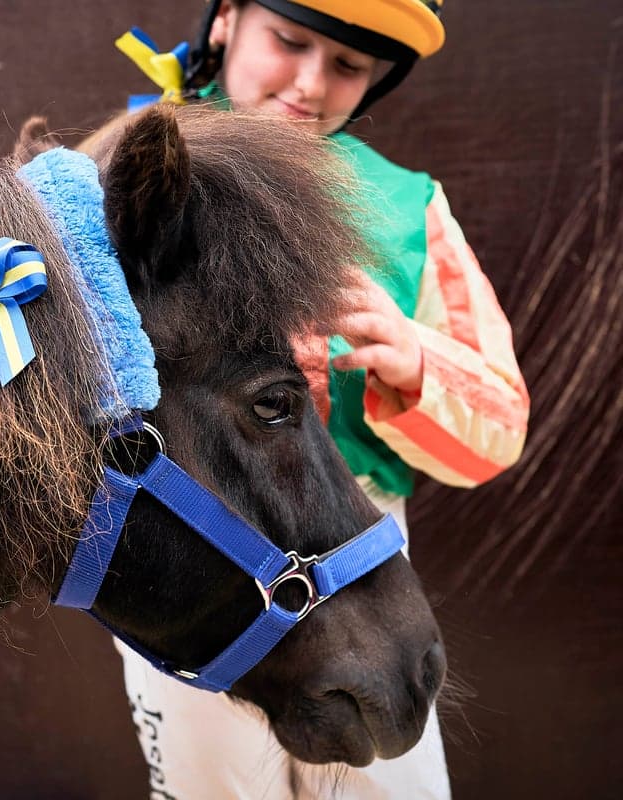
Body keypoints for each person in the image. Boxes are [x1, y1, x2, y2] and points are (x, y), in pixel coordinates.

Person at [113, 2, 530, 798]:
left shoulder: (408, 209)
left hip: (357, 544)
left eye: (347, 64)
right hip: (193, 548)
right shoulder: (136, 176)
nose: (311, 83)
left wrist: (413, 362)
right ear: (228, 18)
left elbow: (502, 423)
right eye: (291, 41)